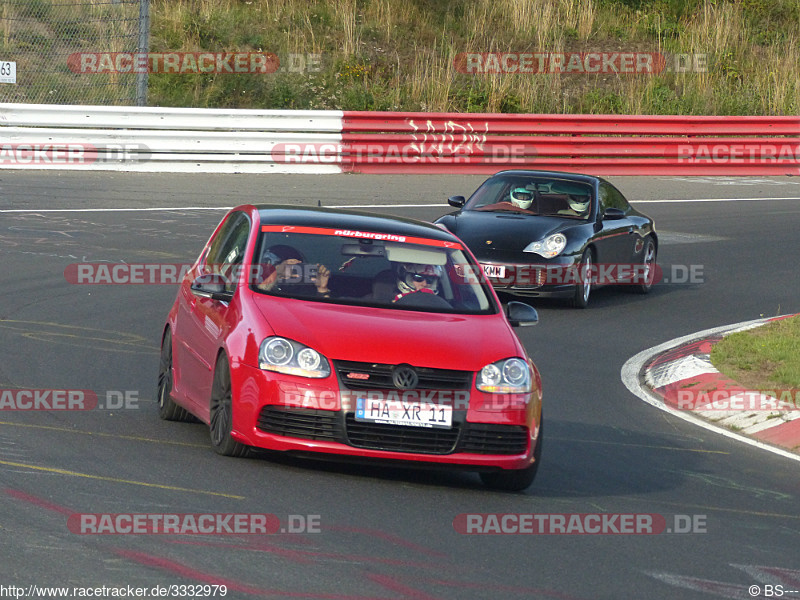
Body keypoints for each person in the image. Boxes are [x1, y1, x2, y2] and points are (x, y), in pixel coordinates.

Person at [257, 244, 332, 297]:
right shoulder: (256, 285)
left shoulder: (307, 287)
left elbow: (325, 313)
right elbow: (256, 297)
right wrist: (277, 275)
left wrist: (322, 288)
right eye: (285, 267)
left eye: (295, 268)